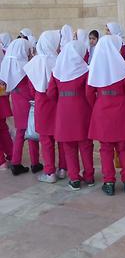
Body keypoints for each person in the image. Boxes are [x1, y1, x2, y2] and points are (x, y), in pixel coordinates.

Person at [87, 35, 125, 196]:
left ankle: (108, 182)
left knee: (106, 149)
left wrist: (96, 106)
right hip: (121, 109)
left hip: (102, 109)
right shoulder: (120, 66)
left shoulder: (95, 67)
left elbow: (89, 93)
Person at [49, 40, 94, 190]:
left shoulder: (56, 70)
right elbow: (89, 92)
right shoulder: (85, 70)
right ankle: (89, 176)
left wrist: (62, 100)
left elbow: (51, 93)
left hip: (63, 110)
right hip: (82, 109)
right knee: (85, 144)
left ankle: (74, 178)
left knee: (68, 146)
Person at [24, 30, 67, 183]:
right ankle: (63, 168)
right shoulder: (60, 60)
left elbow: (30, 88)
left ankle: (50, 172)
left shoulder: (34, 62)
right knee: (61, 136)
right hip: (58, 101)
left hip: (41, 101)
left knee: (45, 138)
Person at [0, 39, 42, 175]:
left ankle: (16, 162)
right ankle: (34, 162)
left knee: (21, 131)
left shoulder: (9, 63)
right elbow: (32, 85)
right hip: (28, 100)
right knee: (32, 129)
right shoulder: (26, 65)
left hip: (16, 98)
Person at [0, 44, 13, 170]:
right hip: (1, 93)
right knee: (3, 127)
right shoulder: (3, 53)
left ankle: (1, 162)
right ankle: (11, 155)